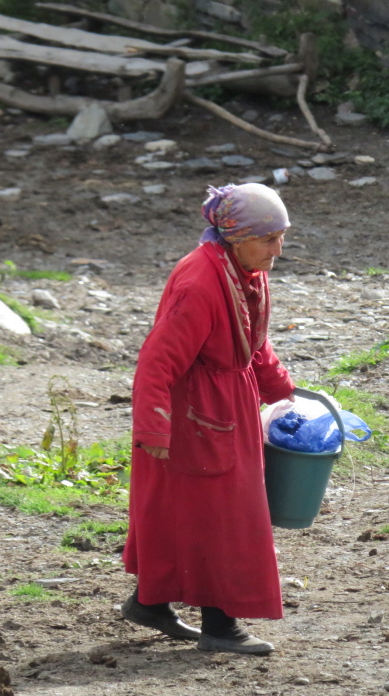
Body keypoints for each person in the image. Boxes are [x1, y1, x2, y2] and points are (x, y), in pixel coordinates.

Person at [120, 182, 295, 655]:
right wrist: (154, 426)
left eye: (283, 237)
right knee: (226, 519)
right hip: (195, 414)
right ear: (237, 237)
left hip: (225, 405)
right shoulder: (200, 282)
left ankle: (149, 604)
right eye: (269, 239)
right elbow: (158, 360)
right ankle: (221, 627)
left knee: (189, 514)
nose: (278, 249)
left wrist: (281, 388)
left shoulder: (241, 269)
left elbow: (250, 339)